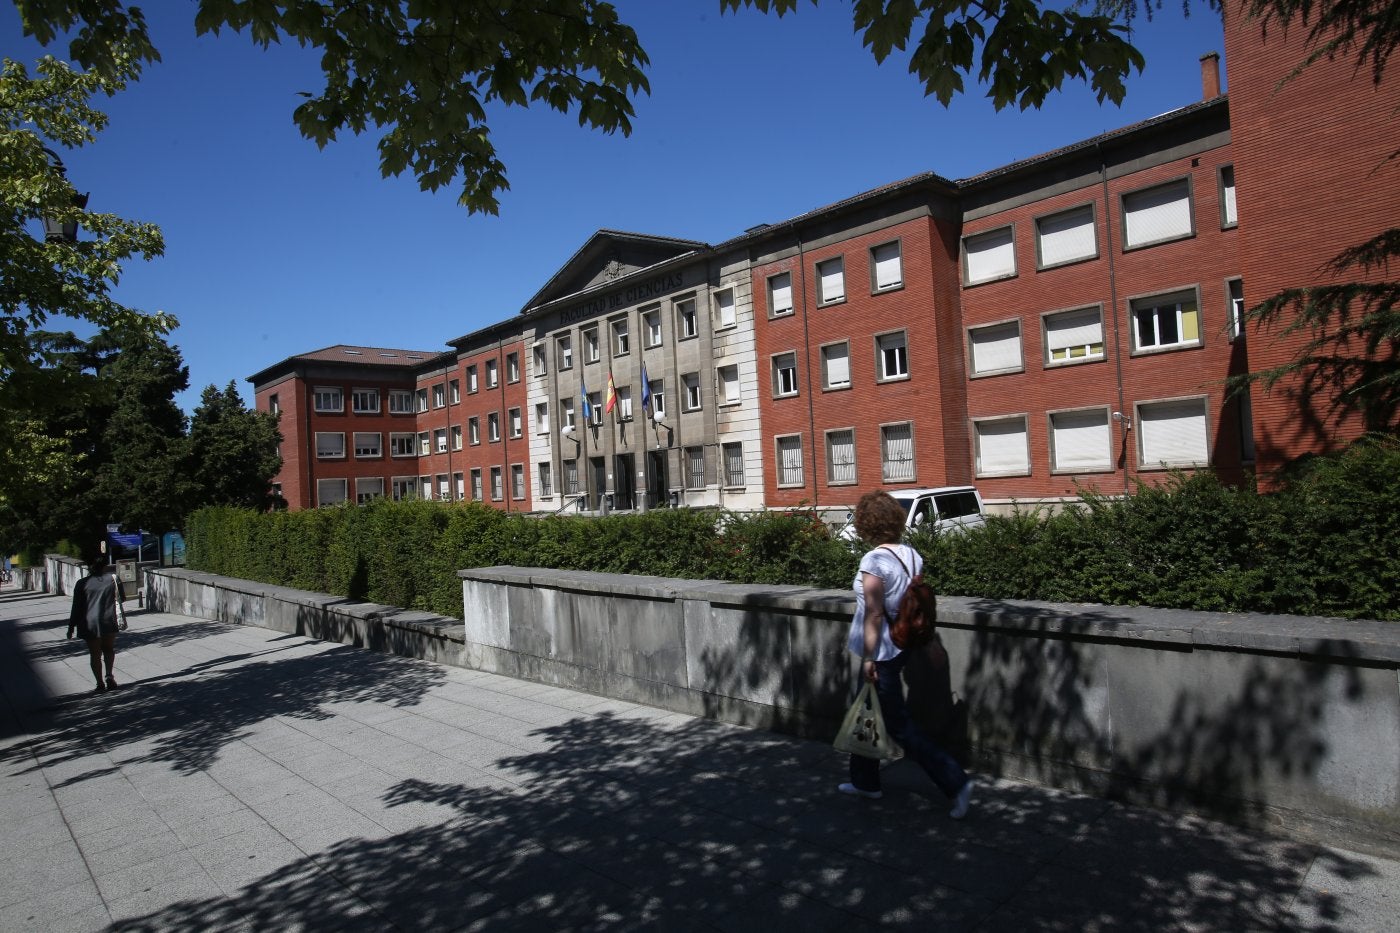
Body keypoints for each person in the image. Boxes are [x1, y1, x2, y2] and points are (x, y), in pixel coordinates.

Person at [840, 490, 974, 819]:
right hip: (900, 646)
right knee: (866, 710)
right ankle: (865, 780)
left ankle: (955, 781)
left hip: (881, 651)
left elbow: (874, 613)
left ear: (866, 524)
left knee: (898, 725)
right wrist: (927, 645)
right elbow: (913, 607)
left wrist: (870, 657)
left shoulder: (873, 561)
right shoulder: (912, 555)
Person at [67, 547, 127, 693]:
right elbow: (122, 598)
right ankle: (109, 675)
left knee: (95, 653)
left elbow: (76, 607)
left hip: (89, 623)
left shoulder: (81, 584)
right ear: (105, 566)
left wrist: (71, 627)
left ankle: (99, 683)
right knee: (108, 649)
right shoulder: (113, 579)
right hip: (108, 619)